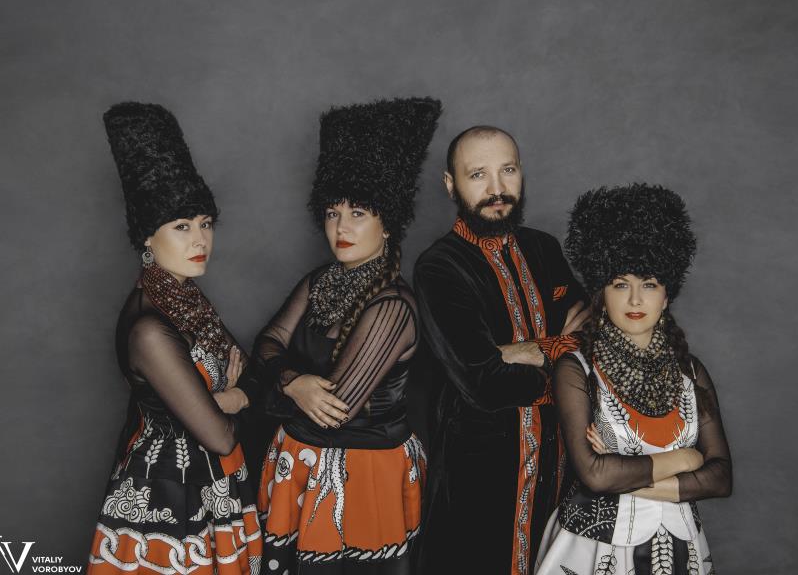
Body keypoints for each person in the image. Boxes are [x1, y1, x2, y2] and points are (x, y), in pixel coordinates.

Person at [252, 97, 441, 574]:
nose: (341, 227)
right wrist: (294, 383)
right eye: (332, 213)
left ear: (387, 222)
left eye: (358, 213)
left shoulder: (393, 307)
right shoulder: (320, 280)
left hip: (362, 477)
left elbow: (333, 412)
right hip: (301, 463)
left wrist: (271, 384)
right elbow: (265, 343)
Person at [88, 103, 262, 574]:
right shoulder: (150, 328)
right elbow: (220, 436)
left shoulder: (185, 299)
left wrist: (226, 398)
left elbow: (253, 370)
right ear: (148, 238)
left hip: (214, 488)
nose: (200, 240)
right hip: (168, 495)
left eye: (205, 223)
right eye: (182, 227)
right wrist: (234, 398)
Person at [414, 126, 590, 575]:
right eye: (478, 174)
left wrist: (520, 350)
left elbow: (595, 339)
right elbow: (484, 383)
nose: (497, 188)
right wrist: (559, 356)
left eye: (507, 170)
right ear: (450, 184)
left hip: (561, 473)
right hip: (478, 482)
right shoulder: (439, 267)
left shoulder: (544, 248)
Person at [534, 183, 732, 574]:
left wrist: (622, 473)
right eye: (621, 284)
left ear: (666, 296)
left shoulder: (691, 371)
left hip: (682, 548)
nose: (636, 300)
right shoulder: (576, 369)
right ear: (602, 293)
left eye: (649, 284)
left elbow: (721, 478)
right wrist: (685, 459)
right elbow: (593, 474)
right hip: (594, 549)